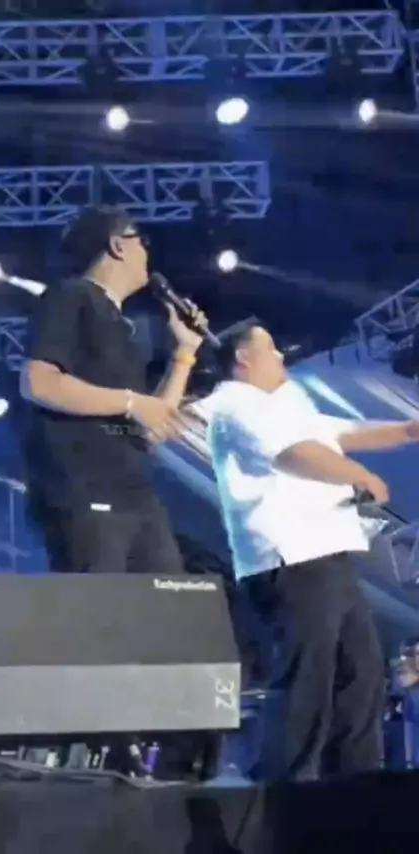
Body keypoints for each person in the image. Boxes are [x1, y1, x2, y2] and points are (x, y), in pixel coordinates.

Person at [205, 323, 419, 781]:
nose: (281, 354)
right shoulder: (235, 404)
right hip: (291, 559)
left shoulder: (281, 407)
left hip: (327, 554)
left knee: (361, 673)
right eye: (270, 348)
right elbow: (290, 453)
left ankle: (357, 782)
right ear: (243, 358)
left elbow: (341, 431)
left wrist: (406, 429)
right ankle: (289, 786)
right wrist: (358, 475)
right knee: (309, 678)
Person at [21, 206, 206, 575]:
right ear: (118, 245)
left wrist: (185, 352)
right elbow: (38, 381)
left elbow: (151, 425)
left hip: (136, 496)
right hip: (85, 492)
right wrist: (131, 401)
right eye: (143, 242)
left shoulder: (123, 328)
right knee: (103, 606)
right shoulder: (70, 296)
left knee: (171, 599)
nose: (147, 253)